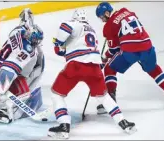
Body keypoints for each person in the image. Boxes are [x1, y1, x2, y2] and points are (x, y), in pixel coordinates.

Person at [47, 9, 136, 139]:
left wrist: (58, 43)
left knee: (56, 94)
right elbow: (75, 47)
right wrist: (62, 48)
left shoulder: (74, 24)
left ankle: (64, 125)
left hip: (76, 66)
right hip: (95, 67)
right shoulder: (91, 30)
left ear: (75, 17)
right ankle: (123, 122)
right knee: (104, 97)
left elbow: (64, 28)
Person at [95, 2, 164, 113]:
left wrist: (104, 57)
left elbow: (113, 49)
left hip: (130, 50)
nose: (102, 20)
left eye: (102, 17)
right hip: (147, 45)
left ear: (106, 13)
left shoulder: (108, 27)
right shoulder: (126, 11)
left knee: (109, 68)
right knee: (152, 68)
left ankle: (110, 101)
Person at [0, 8, 45, 124]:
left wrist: (27, 17)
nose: (37, 42)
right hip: (2, 71)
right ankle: (8, 109)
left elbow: (26, 24)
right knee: (25, 93)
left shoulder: (19, 31)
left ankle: (10, 95)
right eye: (36, 40)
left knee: (35, 70)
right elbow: (10, 67)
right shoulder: (27, 50)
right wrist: (1, 86)